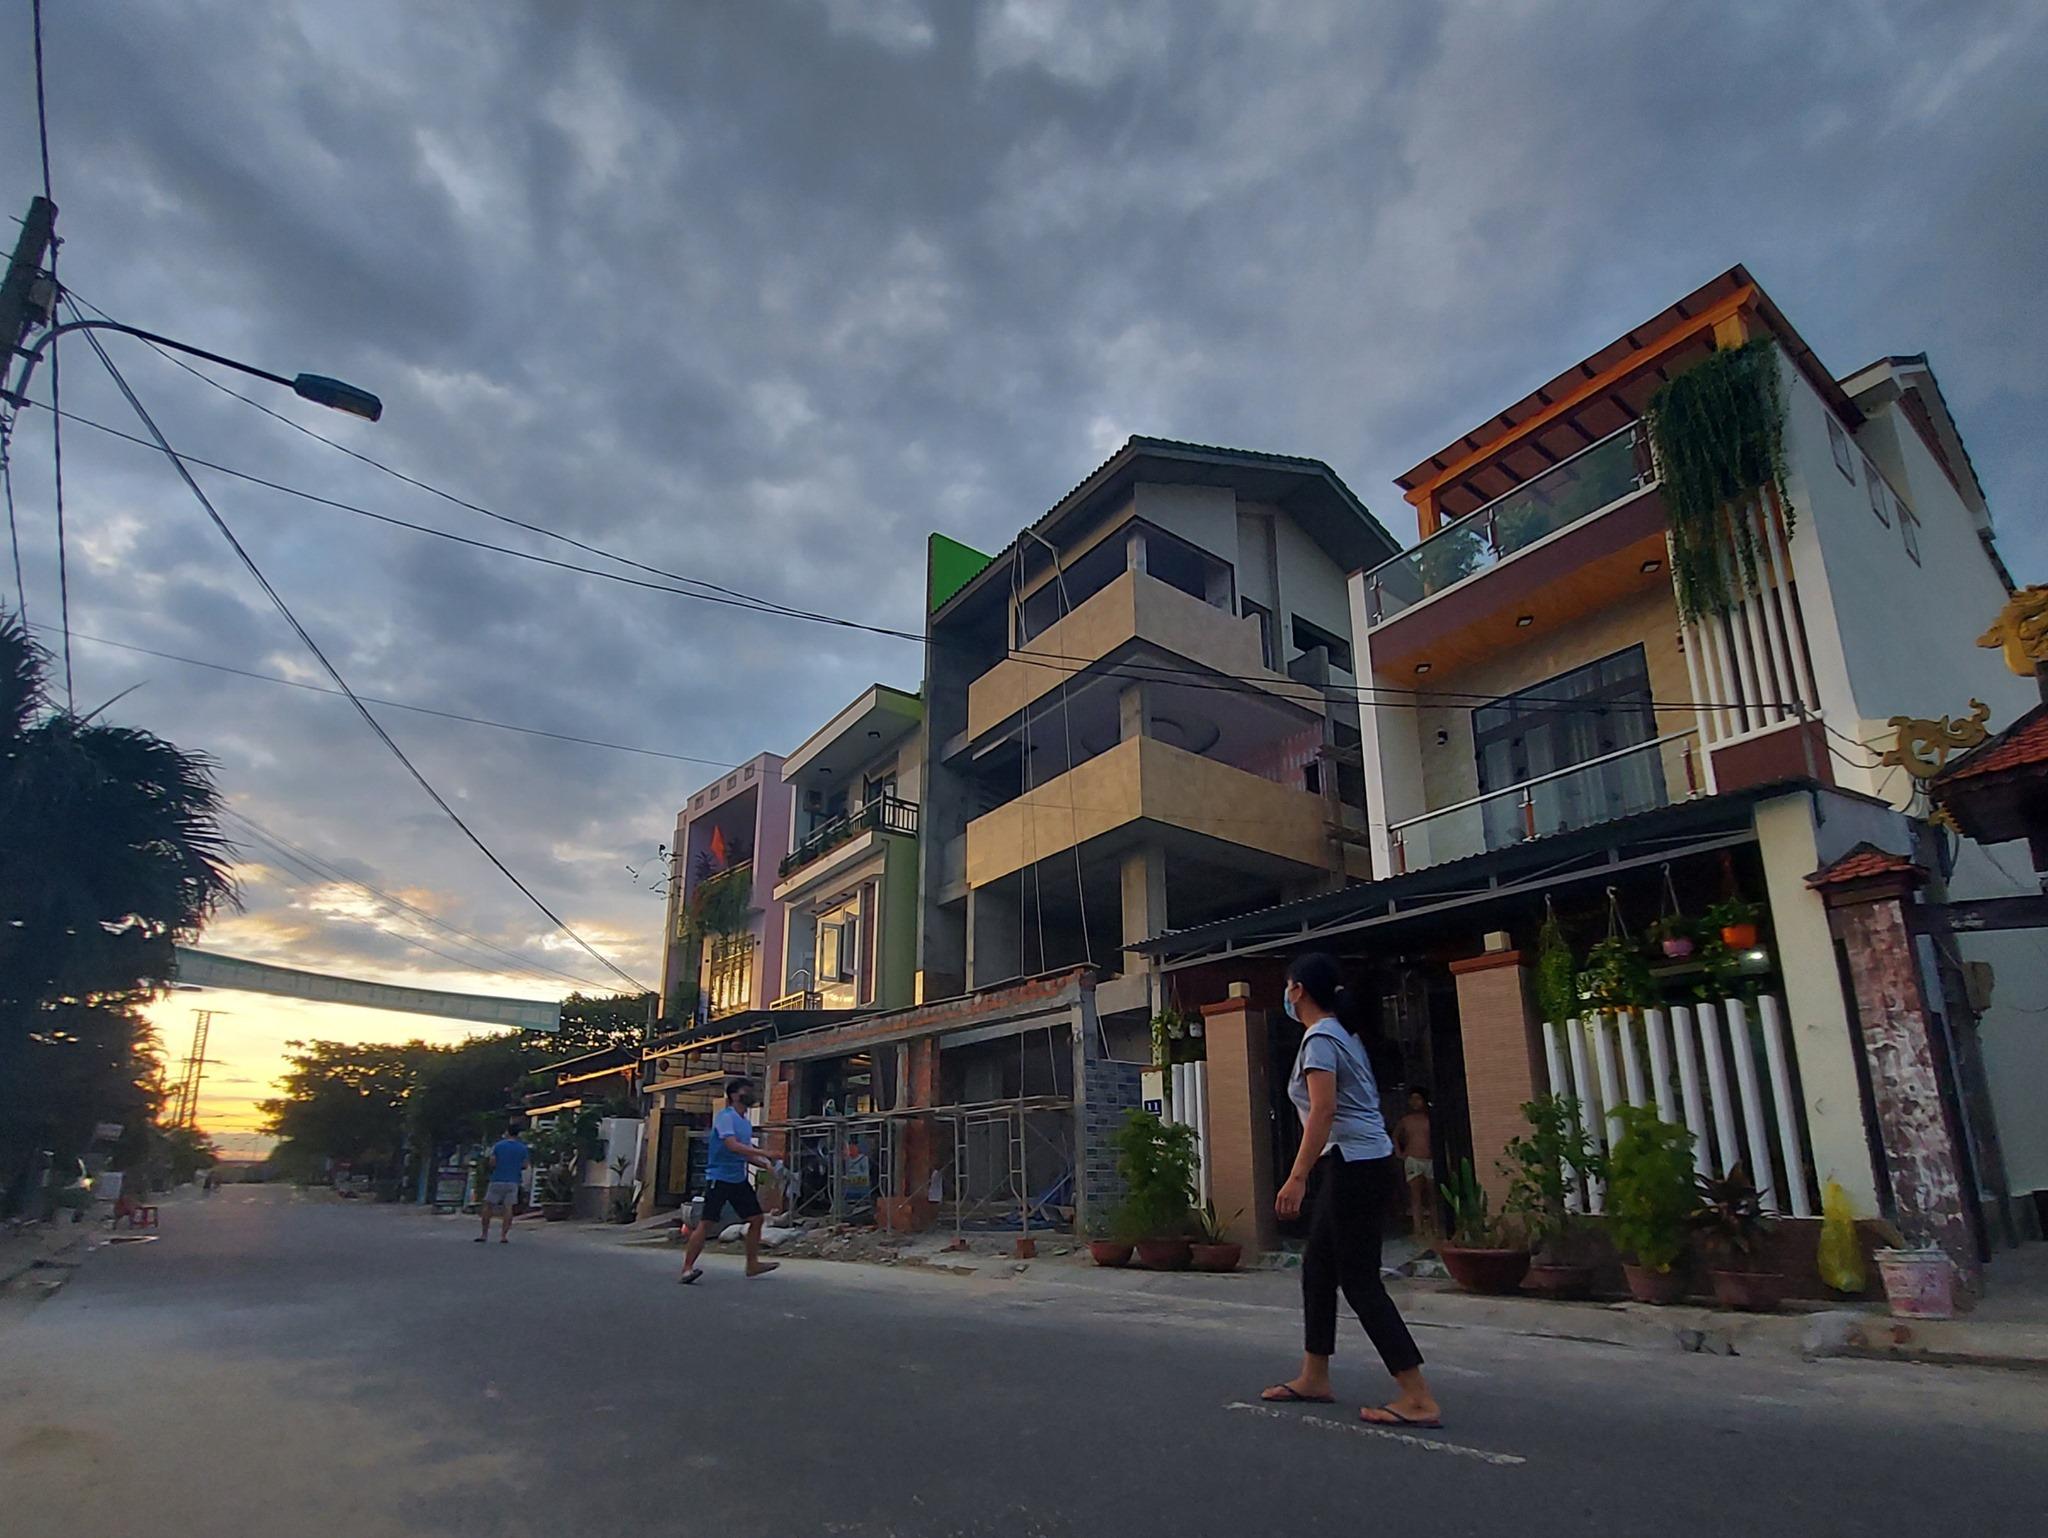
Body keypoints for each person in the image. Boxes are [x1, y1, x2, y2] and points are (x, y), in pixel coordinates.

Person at [1262, 953, 1443, 1429]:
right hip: (1357, 1162)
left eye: (1286, 985)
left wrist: (1297, 1176)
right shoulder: (1341, 1035)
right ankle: (1314, 1376)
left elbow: (1322, 1111)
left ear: (1297, 989)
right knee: (1318, 1269)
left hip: (1354, 1164)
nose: (1284, 993)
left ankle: (1417, 1397)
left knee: (1359, 1280)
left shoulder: (1321, 1037)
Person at [679, 1079, 779, 1284]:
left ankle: (752, 1264)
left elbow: (743, 1152)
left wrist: (764, 1163)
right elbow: (732, 1146)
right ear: (734, 1095)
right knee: (707, 1223)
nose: (751, 1094)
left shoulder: (744, 1122)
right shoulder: (725, 1117)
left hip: (738, 1178)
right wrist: (764, 1152)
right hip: (719, 1178)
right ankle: (687, 1268)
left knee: (756, 1219)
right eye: (746, 1090)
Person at [476, 1120, 529, 1244]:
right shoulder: (522, 1148)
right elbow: (525, 1165)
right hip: (513, 1181)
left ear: (507, 1132)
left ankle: (484, 1234)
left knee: (488, 1206)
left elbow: (492, 1162)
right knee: (508, 1208)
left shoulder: (498, 1146)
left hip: (497, 1179)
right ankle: (503, 1236)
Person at [1394, 1088, 1436, 1238]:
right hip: (1413, 1159)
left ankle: (1434, 1227)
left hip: (1429, 1159)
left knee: (1432, 1195)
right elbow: (1395, 1136)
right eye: (1412, 1099)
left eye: (1418, 1098)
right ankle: (1418, 1229)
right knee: (1415, 1196)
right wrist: (1399, 1152)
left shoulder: (1430, 1119)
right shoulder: (1406, 1120)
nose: (1415, 1102)